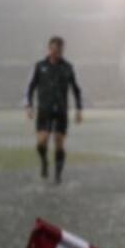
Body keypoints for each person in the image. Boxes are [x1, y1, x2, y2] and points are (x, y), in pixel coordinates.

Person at [26, 36, 83, 184]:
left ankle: (58, 175)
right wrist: (29, 105)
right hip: (44, 110)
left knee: (59, 142)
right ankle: (44, 161)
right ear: (49, 49)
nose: (56, 52)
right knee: (41, 142)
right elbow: (31, 87)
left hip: (61, 111)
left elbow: (76, 89)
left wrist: (79, 110)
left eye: (59, 50)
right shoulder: (40, 66)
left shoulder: (67, 67)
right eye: (53, 49)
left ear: (62, 50)